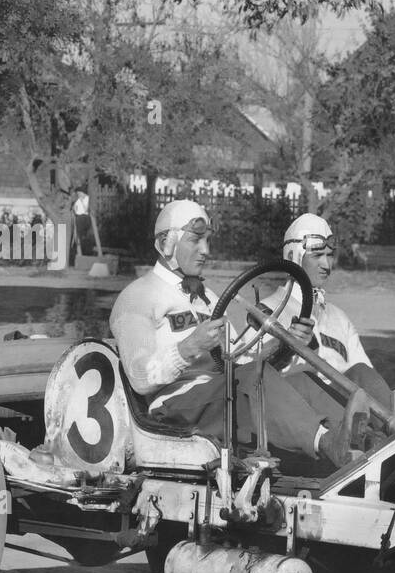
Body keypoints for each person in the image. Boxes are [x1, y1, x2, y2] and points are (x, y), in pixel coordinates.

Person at [109, 199, 368, 468]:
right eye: (196, 240)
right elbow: (139, 377)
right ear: (166, 243)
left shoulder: (207, 298)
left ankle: (368, 441)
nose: (206, 250)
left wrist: (285, 345)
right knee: (252, 380)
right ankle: (328, 445)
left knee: (302, 380)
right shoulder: (137, 297)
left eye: (208, 240)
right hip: (174, 407)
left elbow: (241, 360)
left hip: (220, 395)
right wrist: (190, 346)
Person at [243, 213, 395, 423]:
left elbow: (365, 375)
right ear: (293, 257)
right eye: (317, 255)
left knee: (362, 372)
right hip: (298, 414)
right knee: (307, 379)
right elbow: (246, 374)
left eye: (330, 255)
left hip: (345, 411)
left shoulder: (339, 318)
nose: (327, 265)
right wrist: (282, 346)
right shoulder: (267, 311)